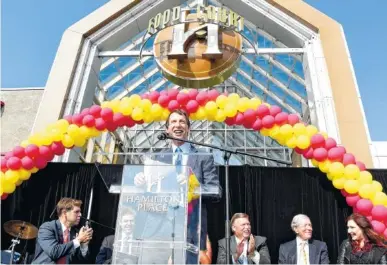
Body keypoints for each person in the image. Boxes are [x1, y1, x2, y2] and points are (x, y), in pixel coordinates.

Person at [134, 109, 221, 264]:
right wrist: (141, 182)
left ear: (188, 128)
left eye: (182, 122)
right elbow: (150, 193)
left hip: (190, 226)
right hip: (158, 226)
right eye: (173, 122)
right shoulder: (157, 157)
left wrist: (191, 185)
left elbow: (215, 191)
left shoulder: (203, 157)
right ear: (167, 129)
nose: (177, 125)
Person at [32, 198, 93, 264]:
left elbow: (79, 260)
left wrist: (83, 246)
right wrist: (78, 240)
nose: (80, 215)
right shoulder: (47, 228)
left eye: (80, 212)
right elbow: (54, 252)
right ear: (64, 213)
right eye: (76, 212)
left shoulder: (75, 232)